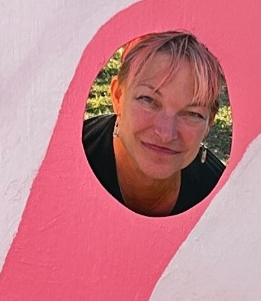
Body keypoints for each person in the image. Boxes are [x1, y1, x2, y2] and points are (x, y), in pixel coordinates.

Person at [83, 31, 225, 216]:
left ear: (209, 121)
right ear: (118, 96)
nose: (166, 134)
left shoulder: (221, 203)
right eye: (148, 100)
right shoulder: (65, 160)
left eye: (192, 114)